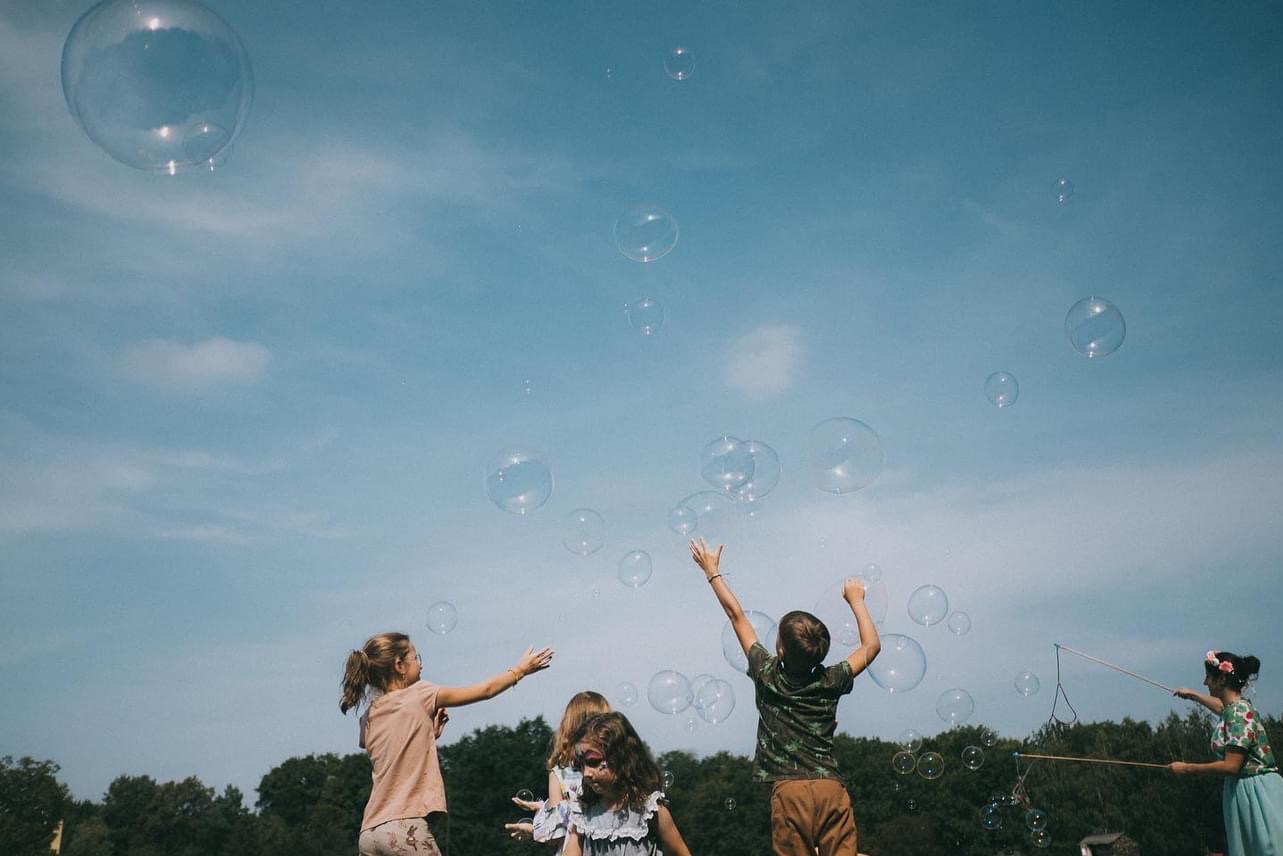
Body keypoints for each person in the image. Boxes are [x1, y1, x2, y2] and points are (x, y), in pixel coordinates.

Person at [689, 538, 880, 856]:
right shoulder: (831, 679)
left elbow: (737, 616)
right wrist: (857, 600)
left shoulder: (767, 674)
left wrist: (712, 572)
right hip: (831, 787)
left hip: (789, 791)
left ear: (779, 649)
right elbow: (871, 647)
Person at [340, 631, 554, 856]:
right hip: (405, 829)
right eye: (416, 658)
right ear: (399, 665)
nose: (421, 665)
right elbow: (485, 691)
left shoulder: (368, 716)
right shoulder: (419, 693)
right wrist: (520, 670)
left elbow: (391, 752)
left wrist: (427, 734)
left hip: (369, 833)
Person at [1171, 650, 1283, 856]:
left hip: (1257, 794)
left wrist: (1186, 768)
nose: (1205, 682)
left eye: (1208, 677)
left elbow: (1231, 766)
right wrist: (1194, 695)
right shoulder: (1236, 708)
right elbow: (1223, 708)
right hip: (1244, 792)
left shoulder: (1238, 713)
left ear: (1221, 678)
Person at [560, 711, 691, 856]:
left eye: (593, 762)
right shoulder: (584, 811)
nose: (586, 773)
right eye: (581, 764)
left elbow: (680, 852)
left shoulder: (649, 810)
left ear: (621, 757)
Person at [505, 690, 613, 849]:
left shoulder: (560, 773)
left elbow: (556, 834)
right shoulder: (612, 767)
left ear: (569, 726)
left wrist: (537, 823)